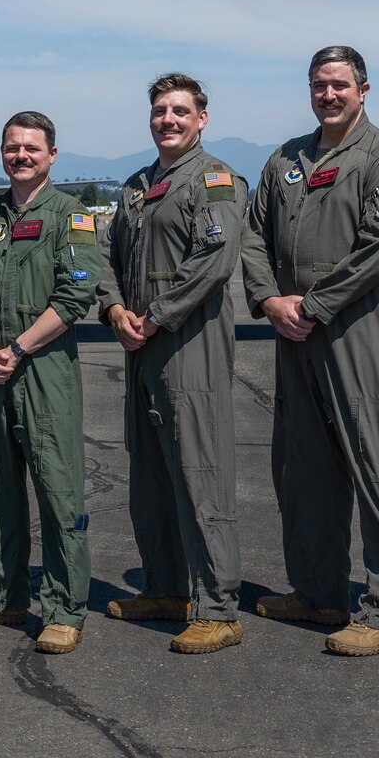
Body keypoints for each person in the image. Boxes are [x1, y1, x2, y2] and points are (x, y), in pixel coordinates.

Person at [240, 45, 379, 656]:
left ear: (364, 89)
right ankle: (317, 592)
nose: (328, 94)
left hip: (356, 332)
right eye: (319, 84)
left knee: (376, 463)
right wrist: (270, 302)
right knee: (303, 469)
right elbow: (252, 237)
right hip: (294, 333)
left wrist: (312, 306)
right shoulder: (285, 159)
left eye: (339, 85)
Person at [97, 76, 244, 655]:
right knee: (151, 473)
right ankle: (164, 587)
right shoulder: (137, 186)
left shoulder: (215, 180)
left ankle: (218, 606)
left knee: (199, 470)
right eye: (160, 111)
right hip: (138, 339)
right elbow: (106, 256)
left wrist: (156, 314)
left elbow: (216, 258)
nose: (168, 120)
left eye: (180, 111)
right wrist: (113, 309)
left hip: (189, 339)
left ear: (202, 119)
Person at [0, 111, 102, 655]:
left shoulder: (71, 216)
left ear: (52, 155)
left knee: (58, 490)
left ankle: (64, 608)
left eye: (31, 148)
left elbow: (75, 298)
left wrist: (16, 349)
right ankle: (4, 594)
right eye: (12, 147)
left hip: (43, 371)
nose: (21, 156)